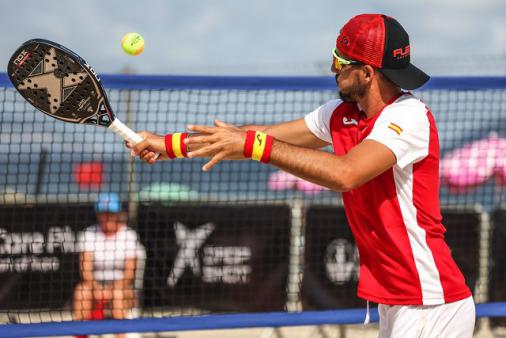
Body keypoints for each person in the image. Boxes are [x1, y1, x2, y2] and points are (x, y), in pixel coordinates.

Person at [128, 14, 475, 338]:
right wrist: (167, 144)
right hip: (399, 300)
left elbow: (346, 173)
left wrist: (254, 144)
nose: (332, 68)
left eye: (340, 61)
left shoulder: (409, 116)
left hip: (430, 302)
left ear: (367, 73)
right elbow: (259, 135)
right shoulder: (343, 113)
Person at [73, 192, 140, 338]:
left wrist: (111, 288)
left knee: (117, 293)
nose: (106, 217)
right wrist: (96, 288)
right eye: (103, 213)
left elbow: (129, 273)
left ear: (119, 214)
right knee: (81, 291)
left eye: (110, 213)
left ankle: (120, 335)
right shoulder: (88, 234)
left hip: (122, 287)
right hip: (94, 285)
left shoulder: (129, 235)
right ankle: (81, 335)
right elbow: (85, 269)